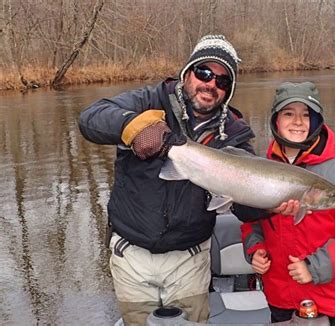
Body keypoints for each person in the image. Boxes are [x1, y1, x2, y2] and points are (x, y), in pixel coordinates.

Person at [79, 35, 263, 325]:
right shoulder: (148, 101)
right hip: (131, 256)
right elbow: (91, 118)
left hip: (190, 259)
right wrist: (132, 125)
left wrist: (271, 201)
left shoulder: (234, 133)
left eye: (223, 81)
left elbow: (248, 211)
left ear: (228, 91)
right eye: (204, 73)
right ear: (187, 72)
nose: (211, 84)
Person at [240, 82, 335, 325]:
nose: (298, 121)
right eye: (289, 114)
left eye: (306, 115)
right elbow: (252, 221)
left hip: (332, 302)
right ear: (275, 121)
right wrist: (255, 249)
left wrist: (314, 268)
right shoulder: (263, 168)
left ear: (316, 121)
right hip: (280, 298)